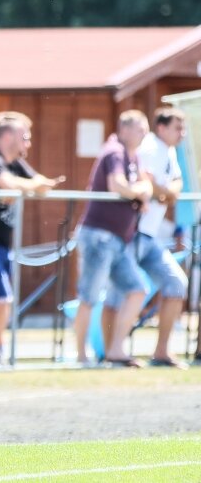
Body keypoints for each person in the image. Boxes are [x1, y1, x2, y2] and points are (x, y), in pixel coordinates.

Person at [0, 111, 63, 367]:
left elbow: (41, 184)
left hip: (1, 244)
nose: (28, 144)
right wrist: (25, 187)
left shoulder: (15, 164)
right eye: (25, 138)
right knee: (1, 299)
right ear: (8, 137)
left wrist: (29, 186)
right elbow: (9, 184)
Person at [104, 108, 188, 368]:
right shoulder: (149, 147)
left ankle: (161, 352)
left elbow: (176, 183)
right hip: (131, 232)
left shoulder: (170, 151)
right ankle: (109, 353)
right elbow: (147, 184)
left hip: (150, 237)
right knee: (119, 294)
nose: (182, 133)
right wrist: (165, 192)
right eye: (177, 127)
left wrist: (166, 193)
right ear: (161, 128)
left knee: (176, 283)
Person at [74, 110, 152, 367]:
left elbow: (147, 184)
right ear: (125, 129)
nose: (144, 134)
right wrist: (139, 193)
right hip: (99, 237)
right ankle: (81, 356)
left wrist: (140, 191)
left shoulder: (133, 156)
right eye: (140, 129)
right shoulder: (115, 152)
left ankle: (116, 350)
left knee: (137, 290)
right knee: (89, 296)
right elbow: (117, 185)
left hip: (118, 241)